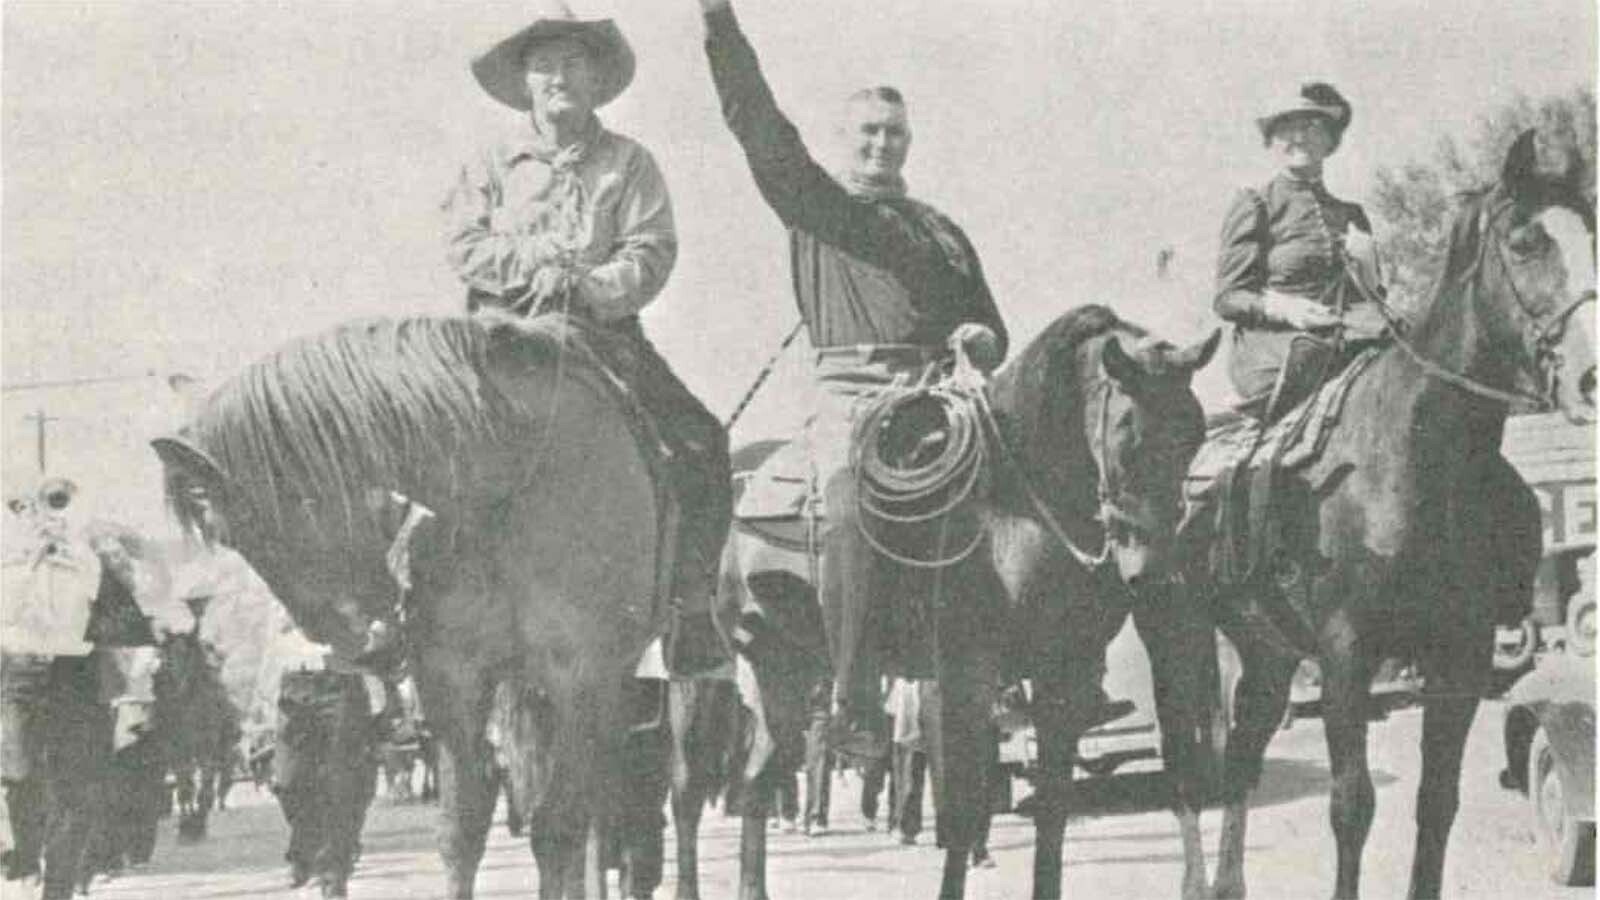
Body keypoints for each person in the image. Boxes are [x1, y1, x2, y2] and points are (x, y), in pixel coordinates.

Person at [695, 0, 1012, 762]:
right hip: (849, 396)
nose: (881, 144)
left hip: (939, 394)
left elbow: (990, 329)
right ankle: (853, 693)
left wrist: (981, 338)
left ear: (909, 141)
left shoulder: (941, 231)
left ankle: (1034, 669)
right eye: (868, 131)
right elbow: (759, 125)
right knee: (845, 503)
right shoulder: (818, 206)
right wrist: (717, 21)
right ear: (844, 140)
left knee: (1027, 492)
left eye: (894, 133)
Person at [444, 2, 731, 640]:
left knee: (701, 443)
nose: (558, 77)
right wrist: (531, 266)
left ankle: (691, 609)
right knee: (417, 443)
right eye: (544, 64)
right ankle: (404, 611)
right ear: (523, 80)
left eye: (573, 61)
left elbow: (650, 251)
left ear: (597, 76)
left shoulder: (630, 164)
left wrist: (586, 286)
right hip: (498, 338)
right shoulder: (490, 164)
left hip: (600, 338)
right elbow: (464, 244)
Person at [1214, 82, 1388, 421]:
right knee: (1311, 358)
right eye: (1286, 128)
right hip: (1274, 344)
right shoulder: (1256, 203)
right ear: (1272, 143)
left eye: (1312, 126)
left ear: (1329, 140)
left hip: (1349, 331)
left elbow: (1373, 300)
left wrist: (1367, 266)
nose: (1299, 137)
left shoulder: (1351, 214)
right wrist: (1285, 308)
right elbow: (1228, 297)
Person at [253, 606, 384, 897]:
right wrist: (262, 706)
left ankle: (333, 870)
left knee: (340, 782)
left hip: (341, 682)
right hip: (293, 685)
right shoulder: (283, 578)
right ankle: (306, 847)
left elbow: (373, 628)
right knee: (289, 781)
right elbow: (273, 636)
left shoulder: (342, 577)